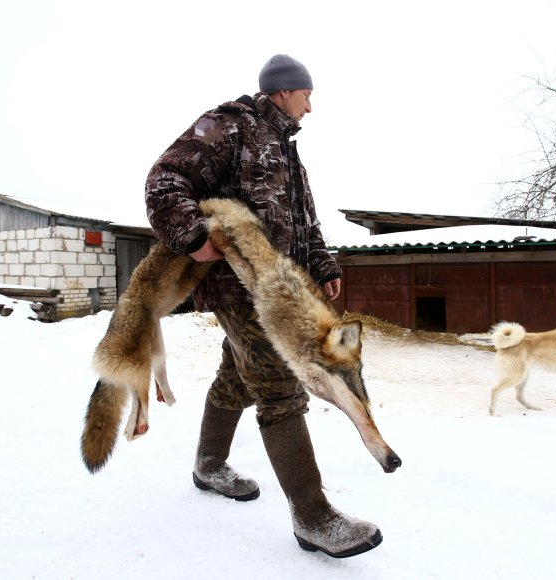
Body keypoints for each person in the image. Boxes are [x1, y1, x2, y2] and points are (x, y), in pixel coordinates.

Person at [144, 54, 382, 558]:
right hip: (239, 285)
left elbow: (304, 223)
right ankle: (314, 517)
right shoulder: (231, 127)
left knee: (237, 377)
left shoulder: (287, 153)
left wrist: (324, 267)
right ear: (283, 92)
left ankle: (208, 465)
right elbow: (165, 179)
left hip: (286, 291)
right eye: (306, 95)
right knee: (278, 385)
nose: (310, 107)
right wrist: (193, 237)